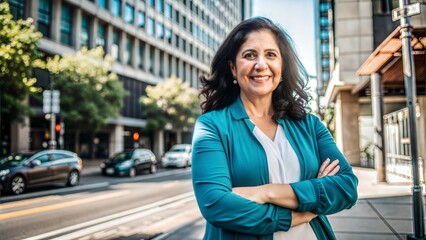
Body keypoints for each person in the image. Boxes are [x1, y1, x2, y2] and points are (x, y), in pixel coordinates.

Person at [191, 16, 358, 240]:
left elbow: (346, 187)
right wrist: (305, 209)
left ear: (281, 68)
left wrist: (266, 192)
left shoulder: (309, 125)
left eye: (271, 55)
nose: (261, 64)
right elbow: (216, 204)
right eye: (249, 55)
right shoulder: (212, 126)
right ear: (233, 68)